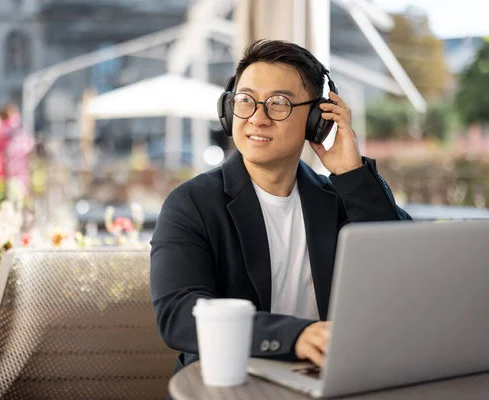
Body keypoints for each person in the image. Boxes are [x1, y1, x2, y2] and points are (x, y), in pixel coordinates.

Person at [150, 40, 411, 375]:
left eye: (279, 103)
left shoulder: (342, 200)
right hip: (229, 385)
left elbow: (403, 268)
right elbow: (179, 314)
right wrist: (294, 336)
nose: (258, 118)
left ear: (318, 119)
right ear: (229, 110)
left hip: (326, 381)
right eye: (245, 101)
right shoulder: (190, 204)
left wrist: (352, 174)